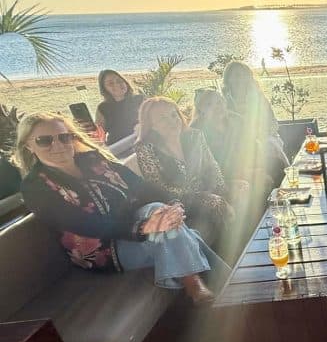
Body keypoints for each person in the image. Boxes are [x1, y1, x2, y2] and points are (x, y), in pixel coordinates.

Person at [15, 112, 225, 305]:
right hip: (103, 249)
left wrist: (173, 203)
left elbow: (140, 186)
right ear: (28, 146)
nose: (58, 145)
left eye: (63, 137)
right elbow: (82, 223)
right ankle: (197, 284)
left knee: (159, 211)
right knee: (178, 233)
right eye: (44, 140)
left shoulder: (92, 160)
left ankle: (204, 286)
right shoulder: (35, 186)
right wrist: (142, 228)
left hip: (138, 222)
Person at [135, 97, 234, 245]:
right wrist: (206, 198)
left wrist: (225, 193)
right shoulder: (145, 148)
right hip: (177, 204)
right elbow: (159, 188)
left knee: (242, 190)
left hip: (207, 192)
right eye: (163, 118)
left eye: (173, 115)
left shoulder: (195, 136)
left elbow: (212, 167)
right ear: (151, 125)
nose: (172, 121)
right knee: (216, 206)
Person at [221, 60, 288, 185]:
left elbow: (273, 124)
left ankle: (284, 182)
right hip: (237, 142)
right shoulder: (223, 101)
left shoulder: (259, 98)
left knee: (269, 146)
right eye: (236, 75)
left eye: (243, 75)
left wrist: (258, 134)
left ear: (249, 78)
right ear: (228, 79)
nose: (240, 79)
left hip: (265, 137)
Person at [95, 69, 144, 145]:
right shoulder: (103, 108)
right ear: (105, 89)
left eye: (119, 81)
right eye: (110, 83)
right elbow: (99, 136)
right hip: (117, 147)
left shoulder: (140, 99)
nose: (117, 85)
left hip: (141, 143)